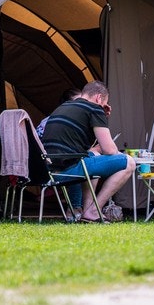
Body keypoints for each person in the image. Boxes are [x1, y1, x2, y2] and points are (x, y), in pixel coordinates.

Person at [40, 81, 134, 223]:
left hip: (49, 172)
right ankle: (94, 210)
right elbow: (110, 150)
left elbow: (84, 147)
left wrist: (101, 117)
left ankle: (87, 210)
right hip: (69, 170)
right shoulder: (94, 109)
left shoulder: (63, 107)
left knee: (94, 156)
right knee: (129, 162)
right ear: (98, 98)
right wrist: (101, 115)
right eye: (104, 103)